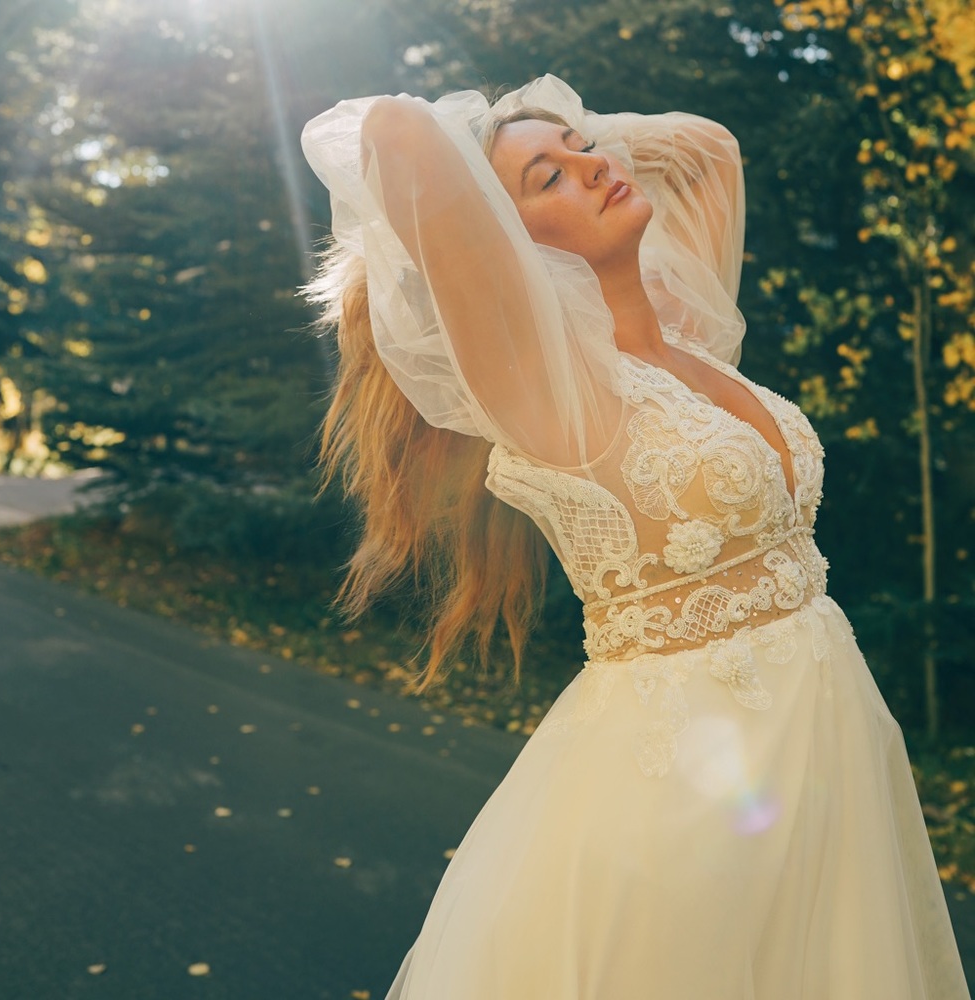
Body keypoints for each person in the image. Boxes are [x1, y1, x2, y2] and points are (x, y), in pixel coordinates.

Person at [302, 75, 970, 999]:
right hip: (679, 797)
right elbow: (398, 132)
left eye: (586, 152)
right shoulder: (548, 390)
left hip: (827, 742)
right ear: (506, 243)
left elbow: (708, 150)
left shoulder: (688, 339)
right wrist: (501, 143)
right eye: (549, 179)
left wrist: (563, 136)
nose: (594, 166)